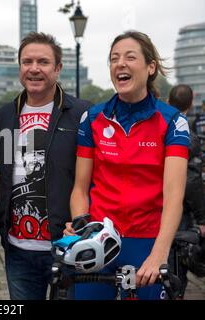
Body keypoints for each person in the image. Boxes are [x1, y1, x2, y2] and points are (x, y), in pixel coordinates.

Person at [68, 31, 190, 300]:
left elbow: (174, 198)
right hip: (99, 238)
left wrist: (159, 254)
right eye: (114, 59)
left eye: (129, 57)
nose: (119, 63)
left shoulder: (173, 121)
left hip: (147, 240)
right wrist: (81, 226)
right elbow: (80, 188)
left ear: (150, 67)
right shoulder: (93, 118)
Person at [0, 32, 91, 300]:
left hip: (68, 244)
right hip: (17, 248)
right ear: (20, 67)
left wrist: (83, 222)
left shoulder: (84, 114)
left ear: (58, 68)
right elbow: (1, 175)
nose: (34, 69)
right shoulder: (3, 116)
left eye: (43, 62)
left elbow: (95, 178)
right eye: (27, 62)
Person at [167, 84, 205, 298]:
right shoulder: (186, 135)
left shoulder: (160, 127)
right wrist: (202, 218)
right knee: (176, 265)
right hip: (179, 211)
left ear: (169, 101)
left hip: (156, 207)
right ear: (190, 104)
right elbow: (191, 181)